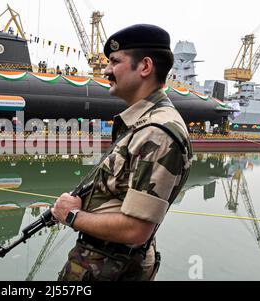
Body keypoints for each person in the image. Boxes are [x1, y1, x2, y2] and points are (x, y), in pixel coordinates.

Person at [52, 24, 193, 281]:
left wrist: (71, 216)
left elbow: (135, 229)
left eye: (115, 62)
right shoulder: (141, 124)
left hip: (111, 270)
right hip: (104, 264)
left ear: (145, 67)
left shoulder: (157, 132)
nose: (106, 70)